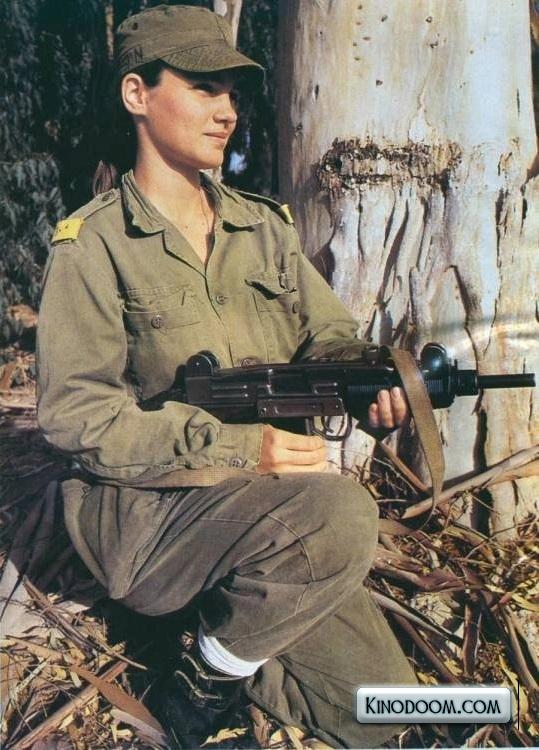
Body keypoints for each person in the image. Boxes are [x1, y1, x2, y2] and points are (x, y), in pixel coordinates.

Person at [36, 5, 416, 748]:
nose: (227, 112)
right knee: (342, 514)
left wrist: (365, 380)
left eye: (233, 94)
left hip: (269, 518)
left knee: (394, 713)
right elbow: (75, 414)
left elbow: (326, 335)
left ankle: (217, 648)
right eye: (204, 88)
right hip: (150, 521)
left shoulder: (263, 228)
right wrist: (240, 449)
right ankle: (199, 684)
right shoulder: (93, 245)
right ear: (137, 94)